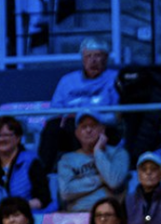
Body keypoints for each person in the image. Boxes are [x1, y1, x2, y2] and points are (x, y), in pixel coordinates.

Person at [40, 38, 120, 168]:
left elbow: (118, 115)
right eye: (88, 56)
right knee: (52, 128)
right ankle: (43, 174)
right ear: (82, 59)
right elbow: (54, 112)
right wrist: (65, 117)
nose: (93, 60)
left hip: (103, 129)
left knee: (79, 126)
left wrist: (89, 119)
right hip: (70, 128)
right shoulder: (67, 80)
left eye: (98, 55)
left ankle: (82, 170)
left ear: (106, 58)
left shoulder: (115, 78)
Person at [58, 111, 130, 214]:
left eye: (93, 126)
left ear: (102, 130)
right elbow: (66, 192)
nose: (88, 130)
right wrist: (101, 179)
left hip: (109, 215)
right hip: (78, 216)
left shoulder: (118, 153)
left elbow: (114, 182)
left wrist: (98, 152)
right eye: (83, 127)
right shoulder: (67, 159)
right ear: (77, 133)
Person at [0, 116, 52, 210]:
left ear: (18, 138)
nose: (1, 139)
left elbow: (43, 198)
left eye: (6, 135)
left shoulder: (31, 161)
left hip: (26, 213)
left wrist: (18, 207)